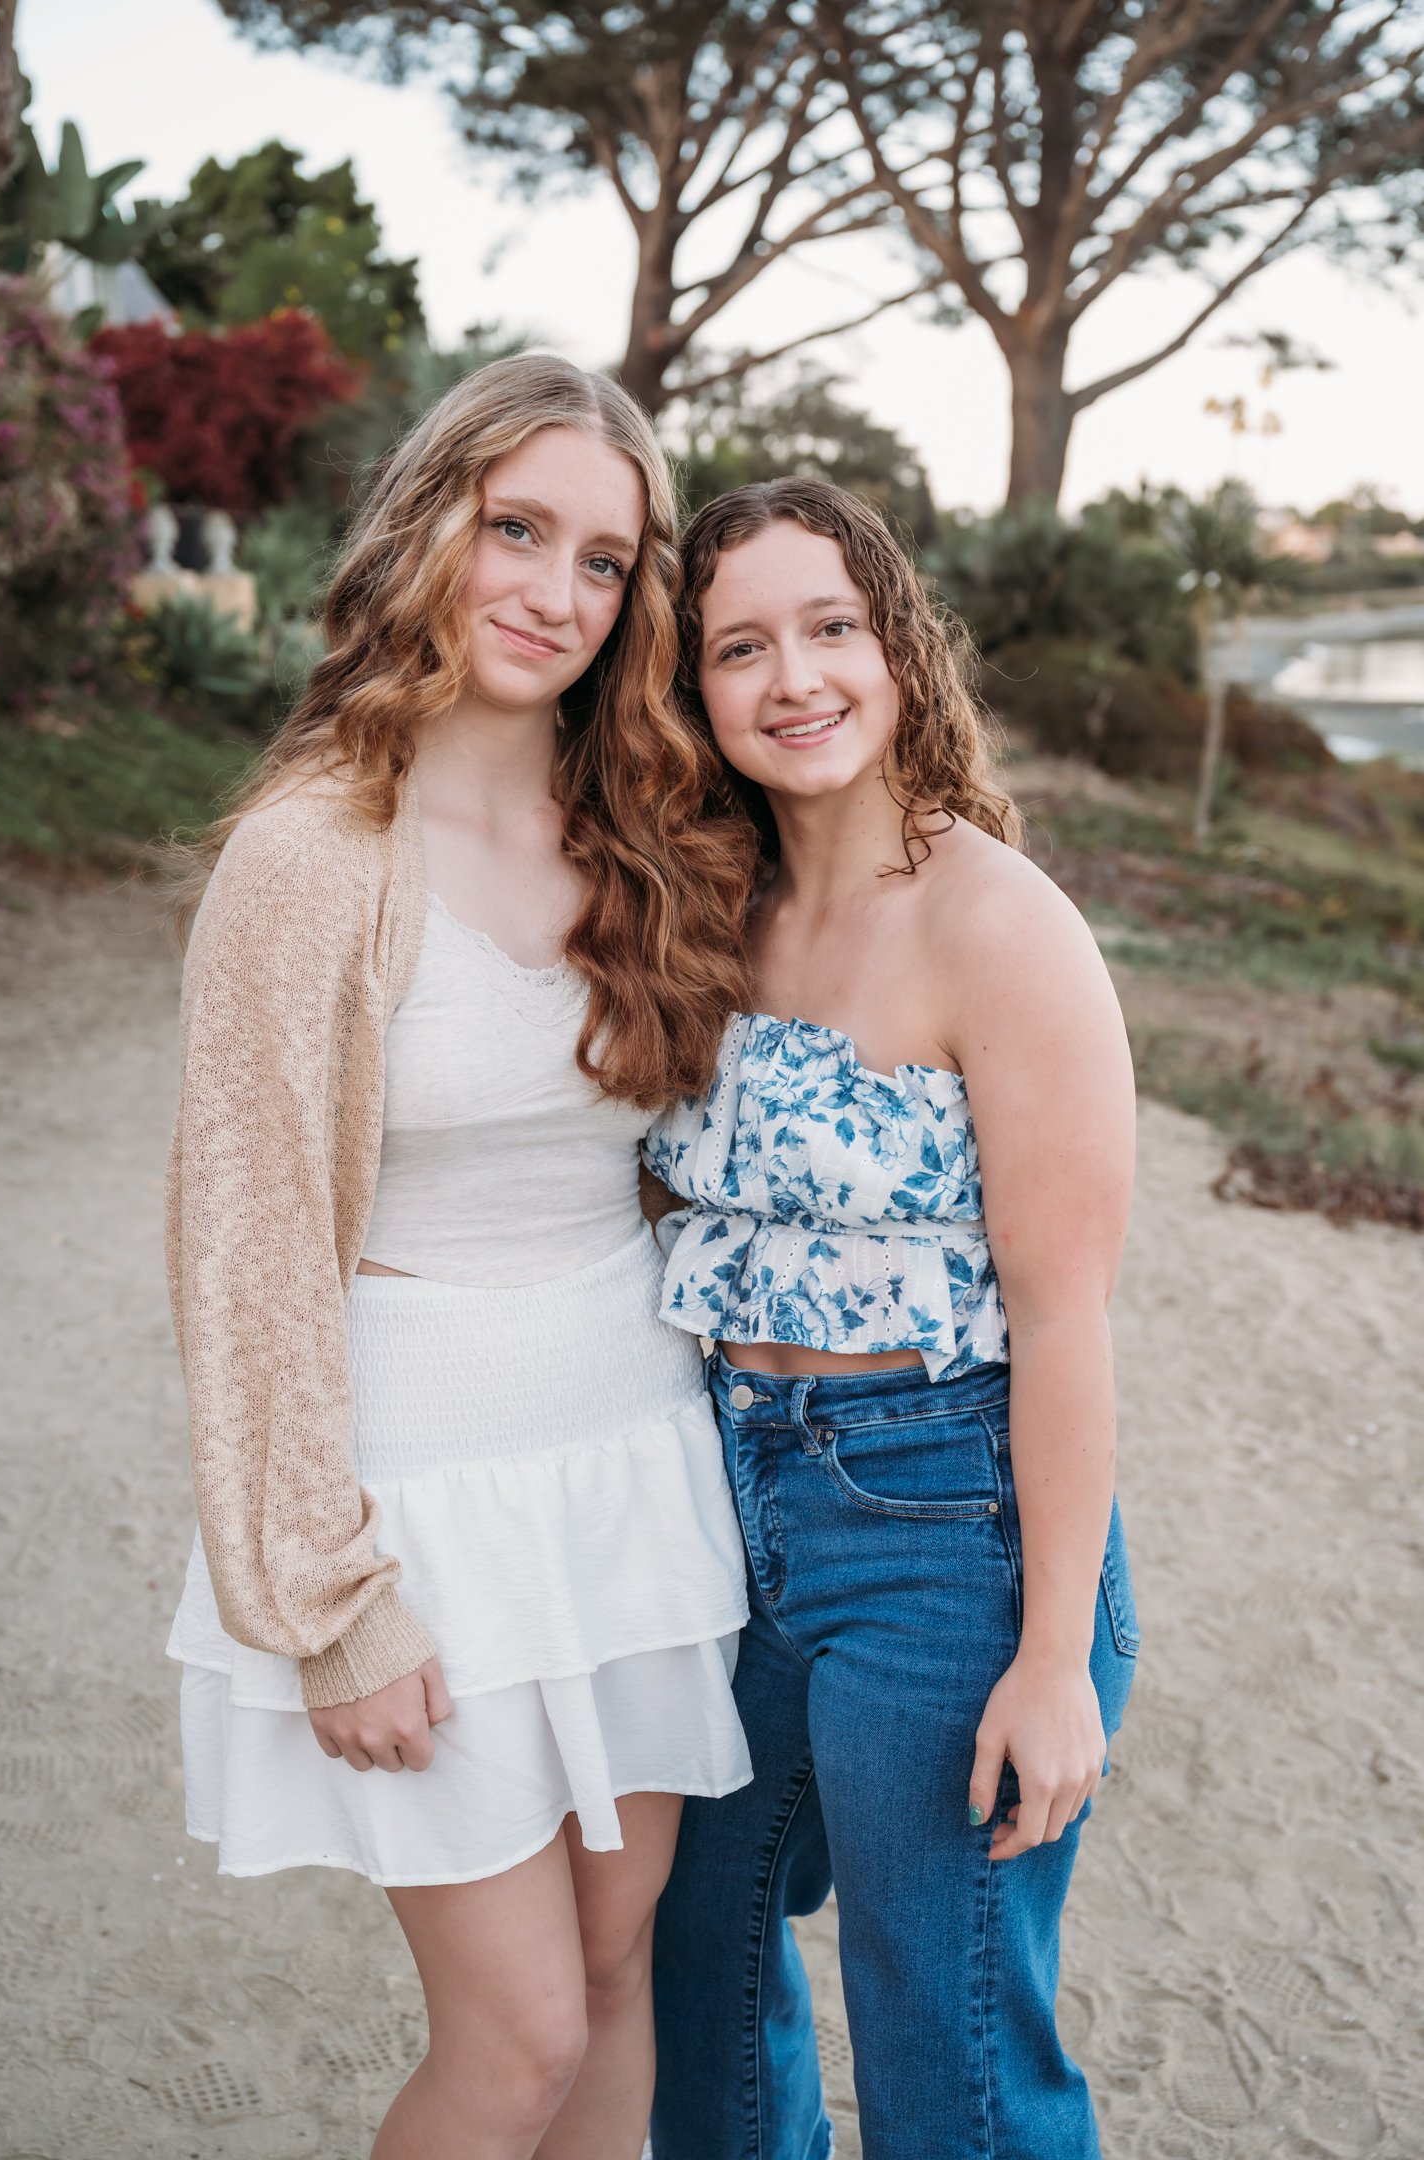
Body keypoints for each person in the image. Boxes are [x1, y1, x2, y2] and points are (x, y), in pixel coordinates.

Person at [162, 353, 758, 2160]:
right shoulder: (308, 856)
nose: (554, 594)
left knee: (616, 1982)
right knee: (512, 2041)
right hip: (426, 1501)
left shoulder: (649, 836)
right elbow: (242, 1250)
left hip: (637, 1476)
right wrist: (326, 1605)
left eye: (603, 560)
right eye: (519, 530)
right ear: (433, 523)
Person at [644, 478, 1140, 2160]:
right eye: (739, 645)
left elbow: (1066, 1319)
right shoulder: (708, 915)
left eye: (830, 626)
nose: (794, 676)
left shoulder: (997, 924)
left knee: (947, 2054)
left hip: (947, 1529)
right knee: (692, 1963)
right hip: (731, 1503)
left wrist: (1057, 1659)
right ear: (690, 686)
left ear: (895, 646)